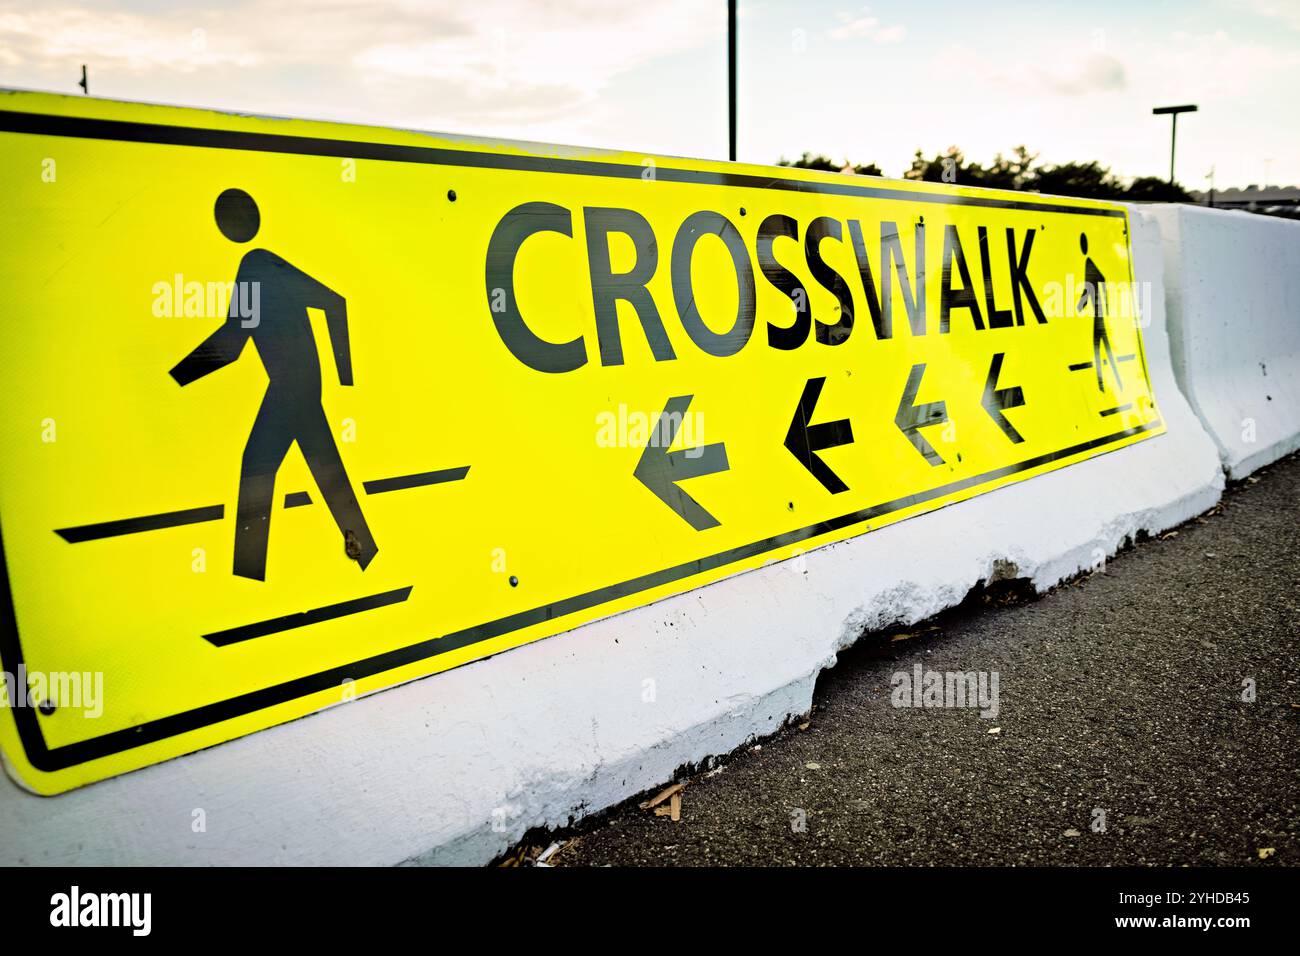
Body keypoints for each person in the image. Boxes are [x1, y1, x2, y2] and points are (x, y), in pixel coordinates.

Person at [170, 188, 378, 581]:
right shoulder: (257, 266)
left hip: (291, 386)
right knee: (323, 467)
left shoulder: (258, 265)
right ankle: (363, 552)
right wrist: (177, 377)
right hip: (294, 385)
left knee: (260, 463)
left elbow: (334, 304)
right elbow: (233, 343)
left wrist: (346, 375)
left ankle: (247, 574)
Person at [1076, 231, 1122, 394]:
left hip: (1099, 317)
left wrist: (1080, 305)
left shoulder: (1088, 263)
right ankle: (1111, 382)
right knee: (1103, 348)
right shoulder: (1088, 262)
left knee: (1100, 349)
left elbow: (1089, 286)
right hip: (1099, 315)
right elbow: (1094, 284)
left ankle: (1106, 383)